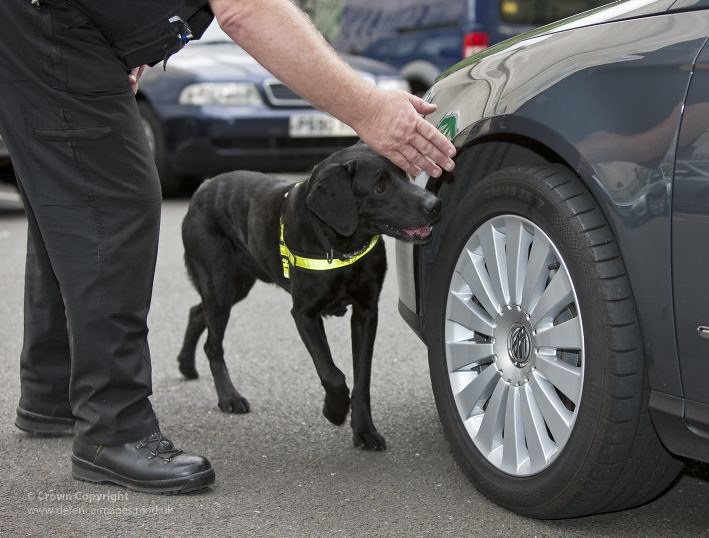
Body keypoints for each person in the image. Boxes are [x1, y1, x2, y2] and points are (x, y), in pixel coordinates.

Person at [0, 0, 455, 495]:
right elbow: (246, 8)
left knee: (72, 198)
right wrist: (369, 108)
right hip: (46, 28)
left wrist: (122, 40)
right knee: (112, 200)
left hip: (50, 26)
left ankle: (51, 391)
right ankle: (113, 430)